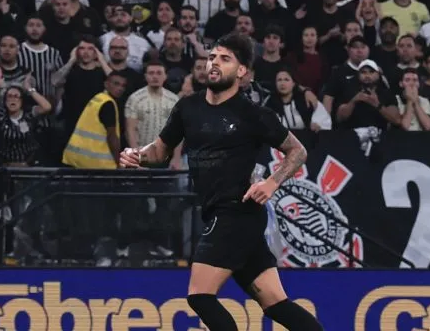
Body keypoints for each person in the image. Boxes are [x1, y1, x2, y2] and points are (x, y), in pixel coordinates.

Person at [118, 33, 321, 331]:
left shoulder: (253, 114)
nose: (214, 63)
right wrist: (137, 154)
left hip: (235, 213)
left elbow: (297, 151)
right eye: (212, 57)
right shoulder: (188, 107)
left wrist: (271, 183)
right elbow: (160, 151)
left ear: (241, 72)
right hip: (222, 214)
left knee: (200, 297)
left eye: (224, 59)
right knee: (276, 304)